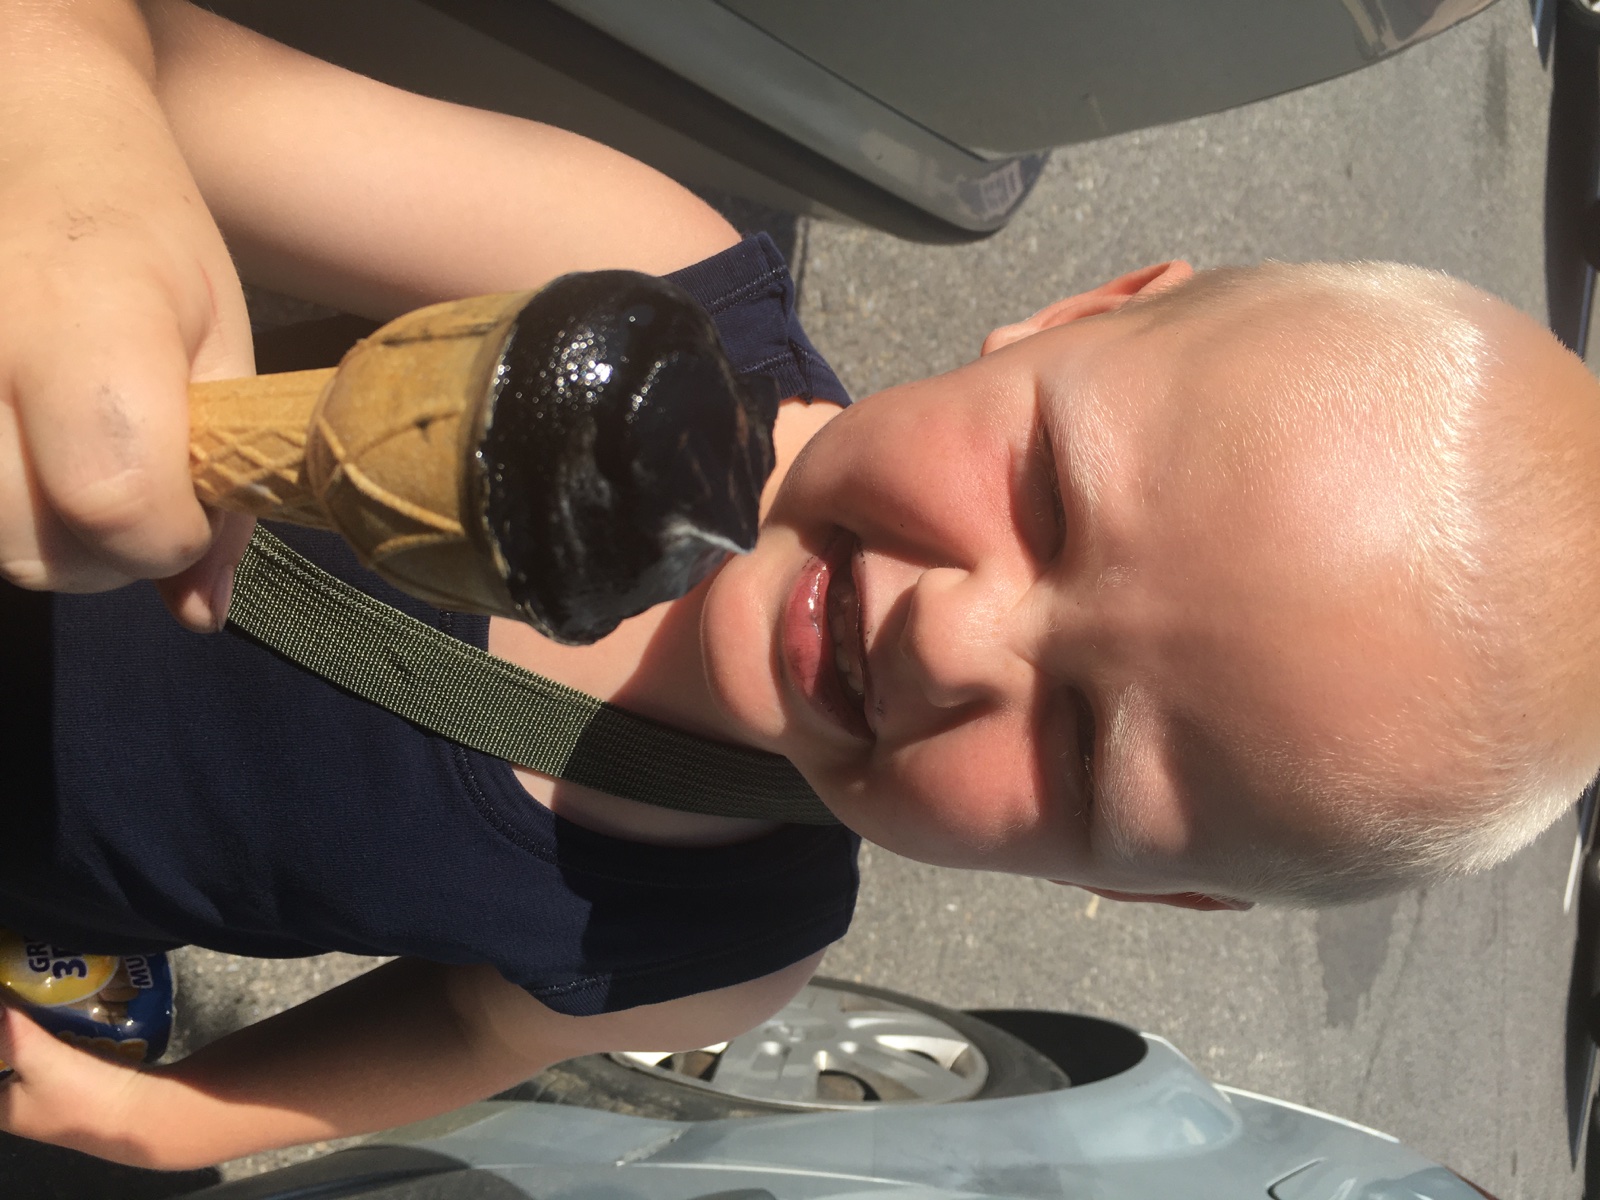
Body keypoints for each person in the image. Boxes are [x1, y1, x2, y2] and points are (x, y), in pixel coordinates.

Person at [3, 0, 1600, 1170]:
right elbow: (138, 57)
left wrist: (171, 1117)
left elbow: (467, 1031)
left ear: (1135, 884)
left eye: (1082, 742)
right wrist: (77, 142)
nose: (953, 632)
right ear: (1082, 315)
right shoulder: (629, 267)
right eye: (1051, 494)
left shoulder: (726, 936)